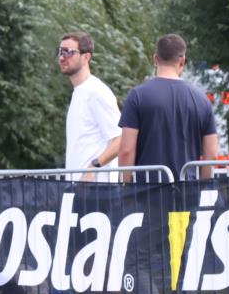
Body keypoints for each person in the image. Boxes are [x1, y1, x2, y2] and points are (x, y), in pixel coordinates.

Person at [118, 34, 218, 182]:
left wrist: (126, 188)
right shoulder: (202, 100)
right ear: (182, 61)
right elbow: (211, 154)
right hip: (187, 189)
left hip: (147, 190)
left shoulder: (137, 96)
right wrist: (202, 187)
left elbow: (126, 150)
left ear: (155, 59)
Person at [58, 31, 122, 182]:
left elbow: (120, 139)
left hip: (98, 189)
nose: (61, 57)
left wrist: (94, 166)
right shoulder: (80, 92)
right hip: (78, 186)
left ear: (86, 57)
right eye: (60, 52)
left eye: (68, 52)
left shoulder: (96, 92)